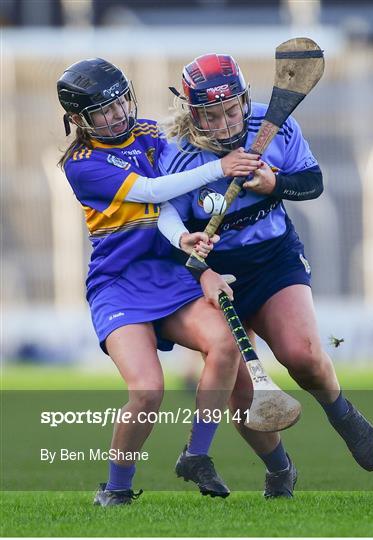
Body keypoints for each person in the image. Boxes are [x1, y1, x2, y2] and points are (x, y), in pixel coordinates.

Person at [158, 53, 373, 497]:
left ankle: (341, 412)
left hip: (273, 257)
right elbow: (168, 235)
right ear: (191, 113)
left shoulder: (273, 125)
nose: (225, 124)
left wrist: (274, 186)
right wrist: (202, 272)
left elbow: (313, 182)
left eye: (231, 110)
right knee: (240, 390)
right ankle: (280, 469)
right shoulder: (176, 158)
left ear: (244, 100)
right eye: (211, 115)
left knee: (302, 355)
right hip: (214, 272)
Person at [57, 57, 262, 506]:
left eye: (118, 104)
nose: (115, 116)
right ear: (77, 121)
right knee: (148, 390)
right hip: (118, 284)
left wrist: (181, 238)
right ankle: (116, 487)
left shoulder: (152, 134)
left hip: (169, 275)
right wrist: (221, 168)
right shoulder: (81, 164)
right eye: (100, 113)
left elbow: (164, 204)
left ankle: (198, 454)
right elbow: (150, 192)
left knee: (226, 343)